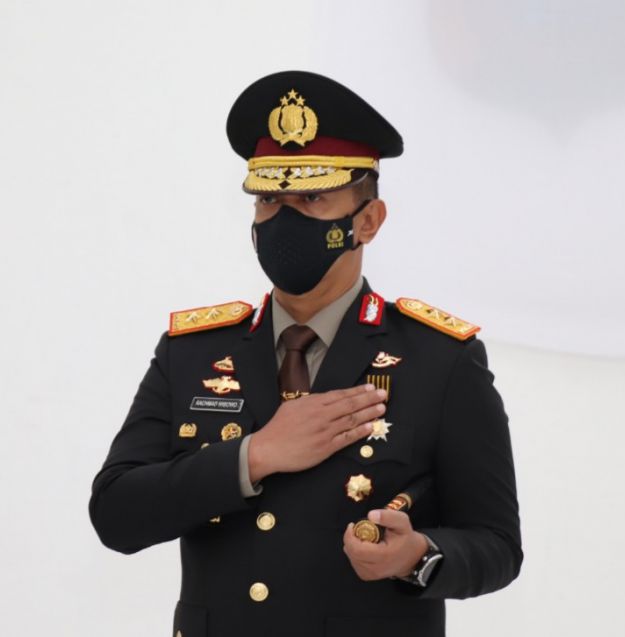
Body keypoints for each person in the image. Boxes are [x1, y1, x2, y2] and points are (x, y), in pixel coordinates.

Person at [89, 70, 522, 637]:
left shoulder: (439, 360)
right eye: (269, 200)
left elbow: (497, 546)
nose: (284, 219)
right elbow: (116, 514)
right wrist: (255, 455)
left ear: (368, 220)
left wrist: (417, 557)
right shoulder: (192, 352)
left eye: (312, 197)